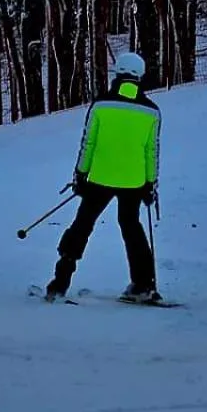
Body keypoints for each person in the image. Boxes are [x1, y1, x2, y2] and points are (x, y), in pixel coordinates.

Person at [46, 50, 161, 301]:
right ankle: (143, 284)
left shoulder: (101, 105)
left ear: (117, 74)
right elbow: (152, 151)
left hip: (100, 178)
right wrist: (151, 184)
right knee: (131, 226)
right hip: (134, 180)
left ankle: (60, 281)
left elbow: (88, 143)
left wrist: (80, 174)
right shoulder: (152, 111)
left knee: (83, 224)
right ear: (140, 76)